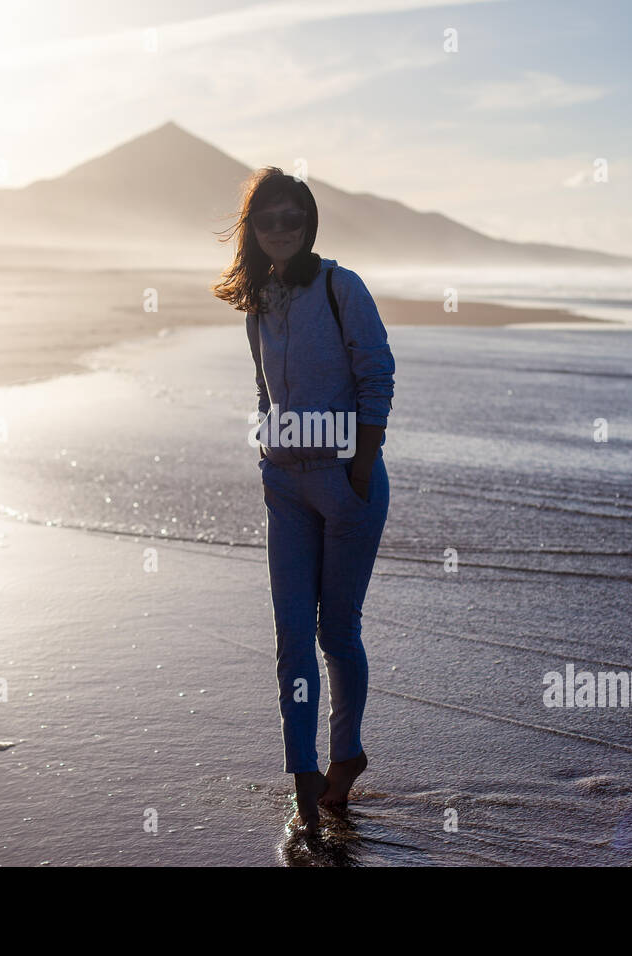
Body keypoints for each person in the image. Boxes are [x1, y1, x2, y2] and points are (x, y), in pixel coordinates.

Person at [211, 167, 394, 834]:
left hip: (347, 485)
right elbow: (264, 390)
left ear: (309, 222)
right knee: (292, 640)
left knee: (336, 632)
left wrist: (362, 467)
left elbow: (377, 373)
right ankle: (302, 783)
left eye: (294, 218)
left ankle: (347, 755)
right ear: (254, 231)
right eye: (269, 221)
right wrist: (268, 450)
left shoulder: (341, 287)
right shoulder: (259, 299)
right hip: (285, 489)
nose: (282, 229)